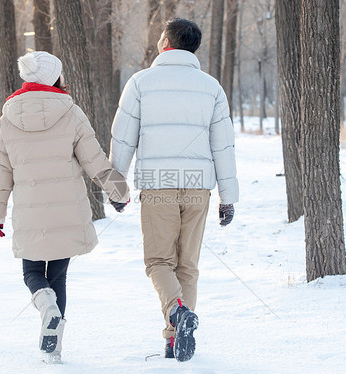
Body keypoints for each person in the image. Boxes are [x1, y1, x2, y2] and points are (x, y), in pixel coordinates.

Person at [109, 18, 239, 362]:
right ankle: (174, 340)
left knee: (158, 262)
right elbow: (223, 146)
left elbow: (123, 139)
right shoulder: (211, 87)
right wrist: (229, 197)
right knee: (188, 266)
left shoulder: (141, 83)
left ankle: (177, 313)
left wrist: (115, 187)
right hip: (199, 189)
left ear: (165, 41)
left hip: (158, 186)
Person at [0, 51, 129, 364]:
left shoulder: (6, 118)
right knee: (59, 278)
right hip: (68, 212)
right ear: (54, 77)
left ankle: (44, 305)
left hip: (29, 212)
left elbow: (0, 174)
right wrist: (118, 192)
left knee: (33, 272)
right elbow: (95, 160)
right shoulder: (71, 112)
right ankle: (55, 348)